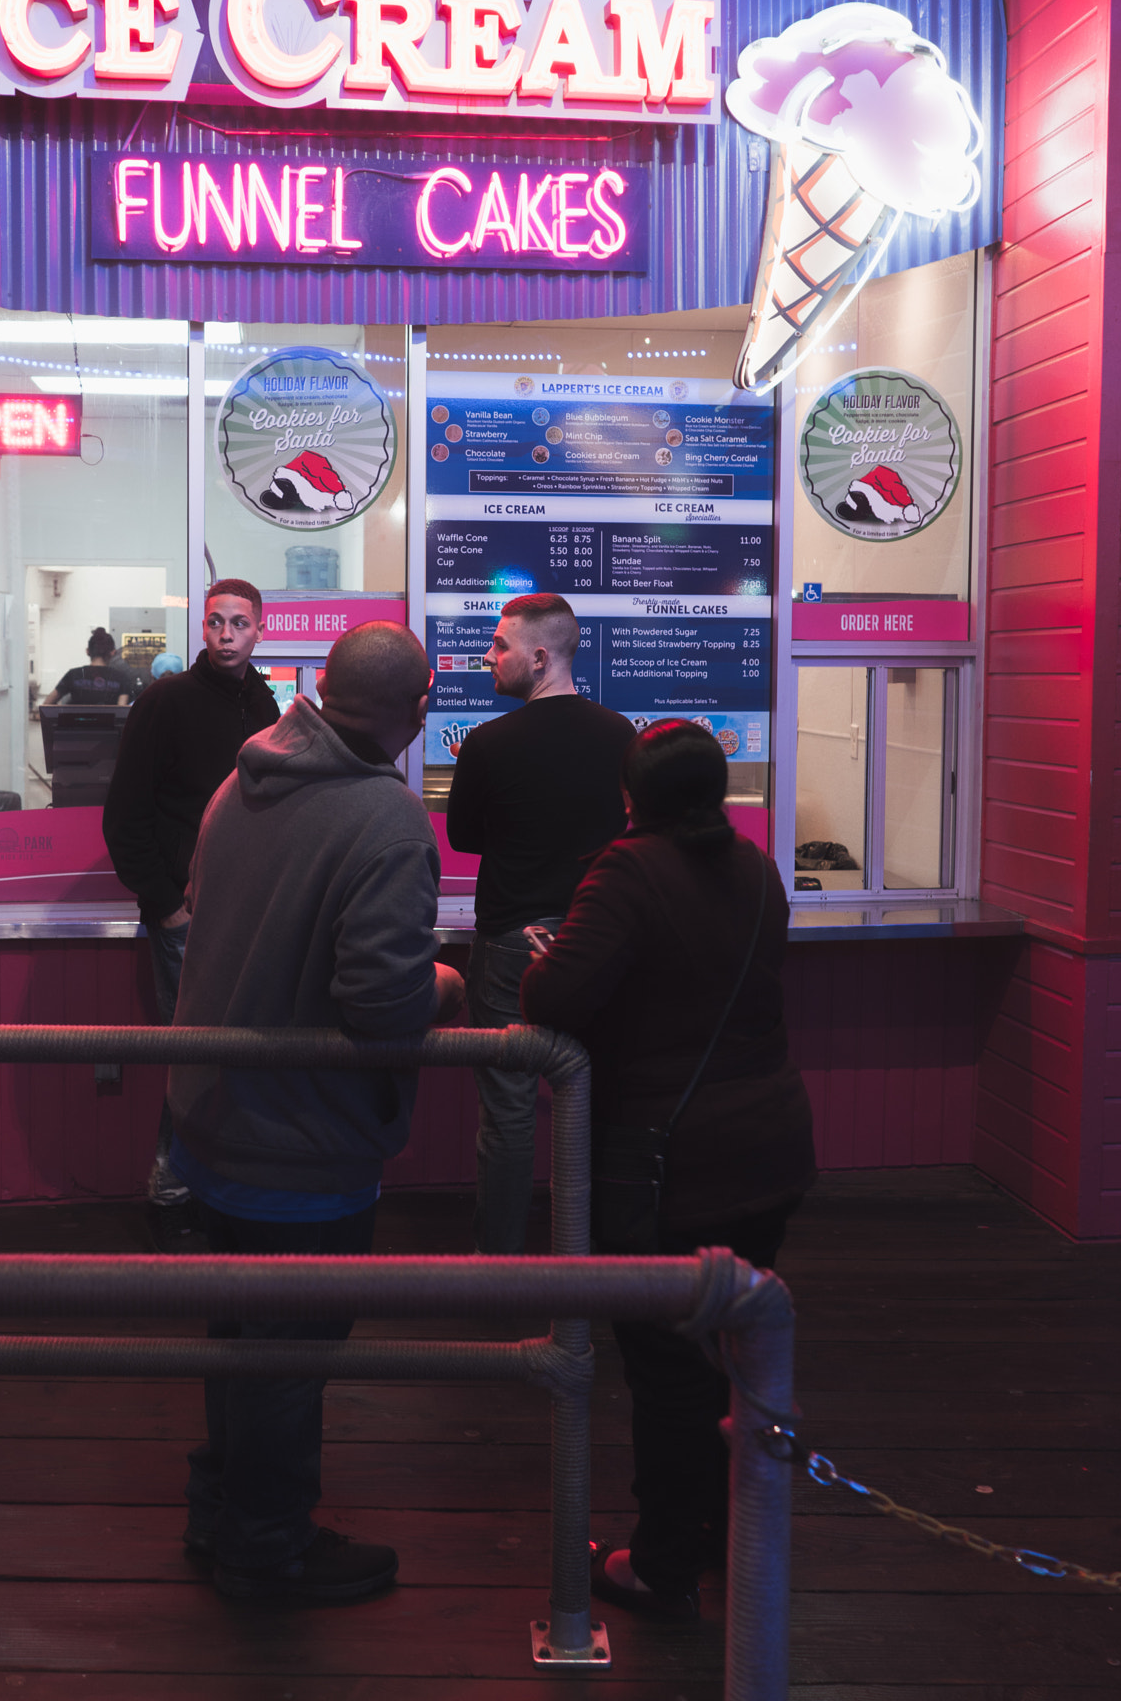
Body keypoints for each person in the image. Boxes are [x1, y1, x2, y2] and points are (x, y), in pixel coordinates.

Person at [167, 621, 466, 1604]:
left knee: (237, 1333)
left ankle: (221, 1510)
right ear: (419, 708)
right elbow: (382, 1008)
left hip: (211, 1111)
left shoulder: (239, 782)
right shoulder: (383, 820)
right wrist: (450, 984)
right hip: (302, 1137)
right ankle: (268, 1543)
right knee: (292, 1351)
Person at [518, 720, 815, 1620]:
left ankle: (664, 1564)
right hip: (769, 1145)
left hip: (669, 1157)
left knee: (664, 1361)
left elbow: (557, 997)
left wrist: (548, 954)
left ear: (631, 796)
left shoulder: (628, 870)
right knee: (733, 1344)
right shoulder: (758, 870)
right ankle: (732, 1530)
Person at [444, 592, 633, 1253]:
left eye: (500, 647)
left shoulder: (490, 744)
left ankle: (497, 1264)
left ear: (540, 656)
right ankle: (597, 1253)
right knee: (600, 1099)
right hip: (598, 939)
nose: (490, 657)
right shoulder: (621, 736)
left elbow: (464, 837)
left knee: (508, 1111)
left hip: (509, 945)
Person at [102, 581, 281, 1203]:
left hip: (250, 912)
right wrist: (166, 907)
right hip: (188, 913)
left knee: (240, 1057)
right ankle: (173, 1187)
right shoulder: (165, 701)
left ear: (260, 630)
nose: (226, 635)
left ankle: (221, 1186)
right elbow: (125, 818)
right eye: (215, 623)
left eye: (238, 624)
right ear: (201, 629)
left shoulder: (264, 704)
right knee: (194, 1055)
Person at [42, 626, 131, 706]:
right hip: (107, 724)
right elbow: (121, 711)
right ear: (113, 653)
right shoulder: (121, 678)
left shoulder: (73, 675)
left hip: (76, 724)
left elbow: (47, 704)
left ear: (88, 651)